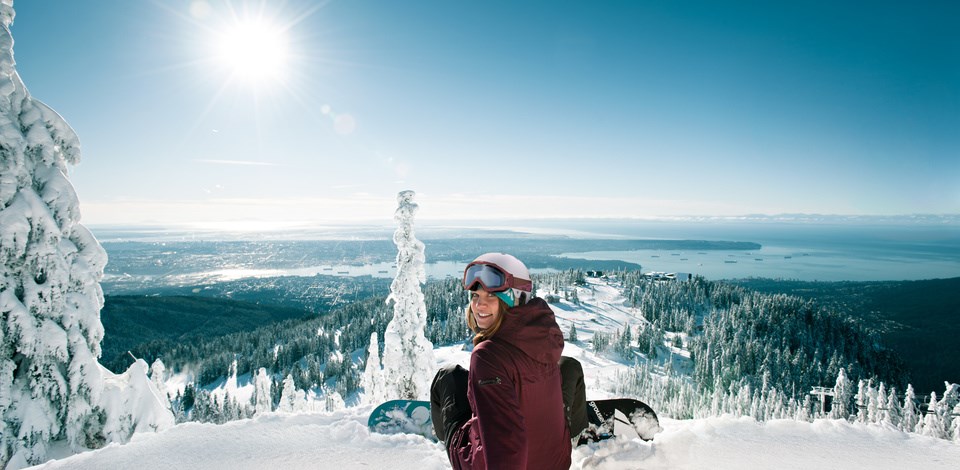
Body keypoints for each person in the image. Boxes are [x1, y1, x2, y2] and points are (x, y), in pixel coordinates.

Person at [430, 253, 587, 470]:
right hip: (556, 462)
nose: (479, 306)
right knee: (568, 366)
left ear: (516, 298)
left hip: (486, 462)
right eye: (475, 297)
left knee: (449, 376)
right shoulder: (544, 332)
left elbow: (506, 444)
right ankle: (580, 433)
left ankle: (444, 438)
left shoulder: (487, 355)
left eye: (492, 297)